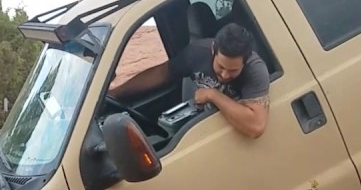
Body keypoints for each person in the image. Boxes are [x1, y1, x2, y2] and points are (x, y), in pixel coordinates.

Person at [109, 23, 270, 138]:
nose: (226, 75)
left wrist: (213, 95)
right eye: (221, 66)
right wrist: (117, 93)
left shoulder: (255, 69)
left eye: (233, 70)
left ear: (246, 60)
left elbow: (256, 126)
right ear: (213, 50)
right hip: (201, 128)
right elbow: (162, 73)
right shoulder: (197, 52)